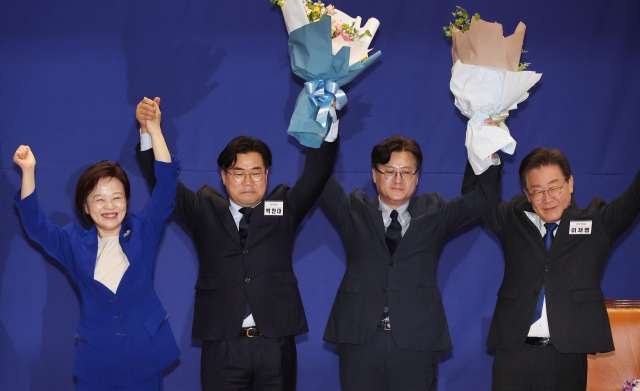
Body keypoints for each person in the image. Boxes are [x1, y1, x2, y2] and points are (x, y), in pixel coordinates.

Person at [134, 97, 339, 391]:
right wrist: (148, 131)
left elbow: (318, 173)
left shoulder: (284, 207)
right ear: (223, 176)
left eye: (256, 172)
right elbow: (162, 184)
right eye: (238, 173)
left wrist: (327, 114)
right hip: (223, 345)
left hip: (275, 343)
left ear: (267, 175)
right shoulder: (202, 208)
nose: (247, 181)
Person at [13, 103, 180, 391]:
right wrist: (28, 171)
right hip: (97, 364)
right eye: (99, 199)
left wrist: (154, 131)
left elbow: (165, 189)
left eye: (117, 197)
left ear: (127, 201)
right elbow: (36, 226)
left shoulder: (144, 229)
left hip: (145, 357)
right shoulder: (72, 243)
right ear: (86, 208)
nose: (110, 206)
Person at [320, 134, 502, 391]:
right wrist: (324, 129)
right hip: (360, 341)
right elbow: (319, 178)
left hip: (416, 342)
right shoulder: (353, 209)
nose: (398, 179)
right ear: (375, 174)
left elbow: (485, 198)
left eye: (406, 171)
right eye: (389, 171)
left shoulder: (435, 211)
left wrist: (488, 145)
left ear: (417, 177)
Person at [462, 147, 640, 391]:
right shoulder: (511, 218)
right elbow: (475, 198)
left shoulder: (597, 221)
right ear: (527, 193)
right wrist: (486, 148)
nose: (547, 199)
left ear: (570, 184)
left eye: (554, 188)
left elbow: (634, 199)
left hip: (565, 356)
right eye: (537, 192)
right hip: (513, 353)